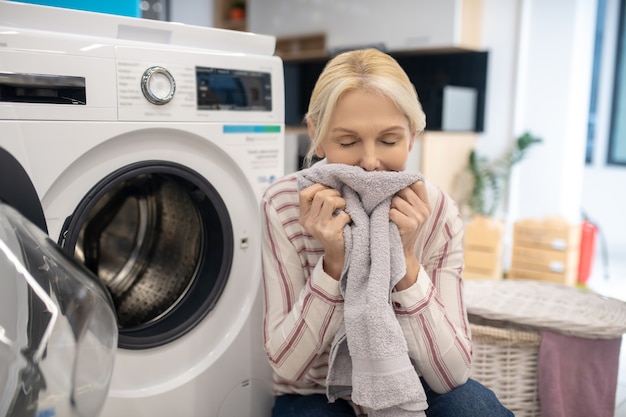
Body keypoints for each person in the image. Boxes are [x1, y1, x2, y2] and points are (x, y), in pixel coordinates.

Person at [260, 48, 512, 417]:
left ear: (413, 135)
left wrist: (406, 260)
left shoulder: (437, 211)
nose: (370, 161)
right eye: (347, 142)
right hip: (315, 392)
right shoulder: (284, 205)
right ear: (316, 135)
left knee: (476, 407)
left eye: (389, 140)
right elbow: (286, 365)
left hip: (415, 381)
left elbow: (452, 373)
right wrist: (332, 265)